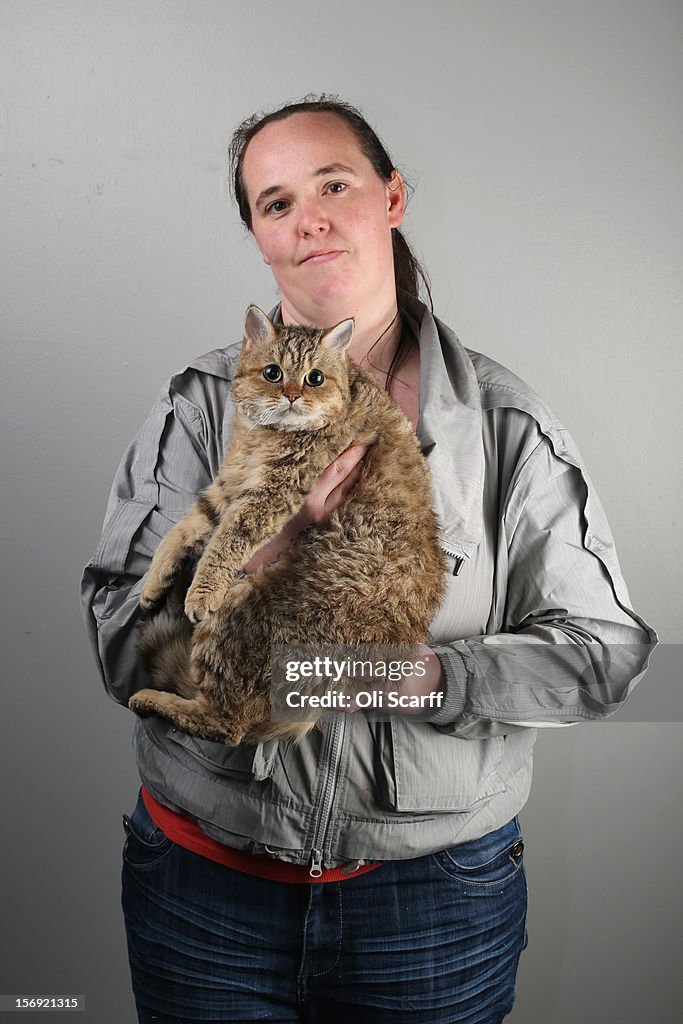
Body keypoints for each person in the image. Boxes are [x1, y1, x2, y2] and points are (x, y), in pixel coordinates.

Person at [80, 95, 656, 1024]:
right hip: (205, 890)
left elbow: (605, 656)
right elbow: (120, 646)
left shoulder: (504, 426)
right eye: (273, 203)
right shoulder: (197, 407)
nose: (307, 218)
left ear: (390, 198)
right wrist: (276, 539)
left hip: (433, 909)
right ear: (260, 241)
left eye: (332, 184)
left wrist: (417, 677)